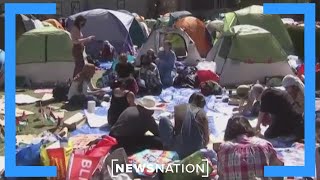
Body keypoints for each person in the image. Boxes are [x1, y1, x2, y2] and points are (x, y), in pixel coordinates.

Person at [218, 116, 283, 180]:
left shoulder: (224, 148)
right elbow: (278, 168)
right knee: (278, 169)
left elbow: (221, 173)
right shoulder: (263, 144)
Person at [159, 92, 209, 159]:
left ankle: (166, 148)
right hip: (195, 152)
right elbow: (206, 139)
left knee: (163, 119)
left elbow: (177, 132)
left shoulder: (180, 108)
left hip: (178, 151)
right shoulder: (202, 113)